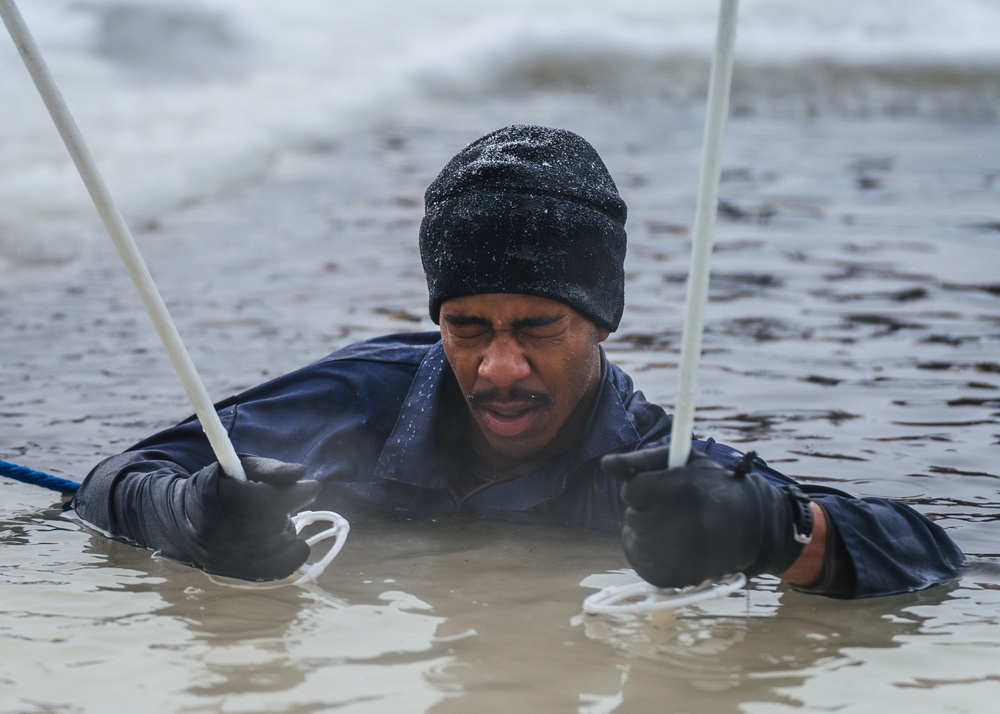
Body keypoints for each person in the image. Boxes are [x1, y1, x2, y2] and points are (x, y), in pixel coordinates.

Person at [68, 125, 964, 598]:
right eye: (466, 327)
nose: (497, 366)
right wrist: (193, 518)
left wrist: (776, 534)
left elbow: (934, 556)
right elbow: (112, 481)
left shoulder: (654, 460)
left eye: (537, 326)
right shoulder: (361, 397)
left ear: (603, 325)